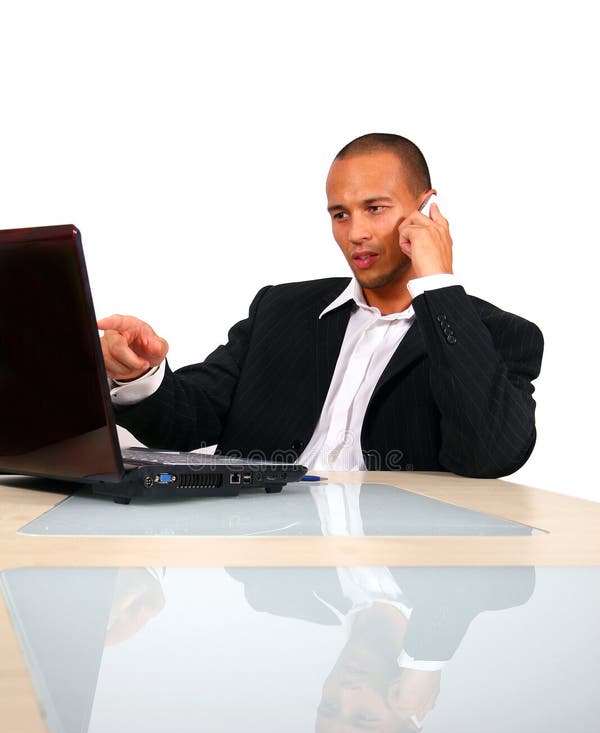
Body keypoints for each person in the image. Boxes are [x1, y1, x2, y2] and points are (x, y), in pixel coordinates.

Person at [99, 133, 544, 476]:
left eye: (375, 208)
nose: (355, 234)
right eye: (340, 214)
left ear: (426, 210)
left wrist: (438, 287)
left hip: (399, 570)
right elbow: (186, 421)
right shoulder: (280, 310)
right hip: (276, 561)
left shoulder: (498, 334)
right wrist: (141, 374)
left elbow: (490, 454)